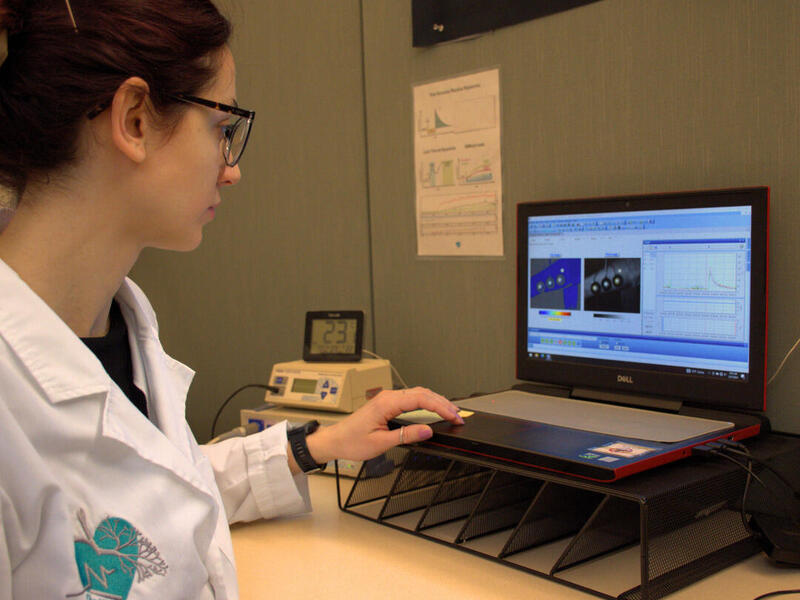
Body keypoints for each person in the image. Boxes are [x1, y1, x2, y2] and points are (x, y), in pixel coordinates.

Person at [0, 1, 463, 598]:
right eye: (223, 129)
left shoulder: (115, 325)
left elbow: (157, 494)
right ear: (136, 119)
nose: (232, 170)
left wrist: (315, 446)